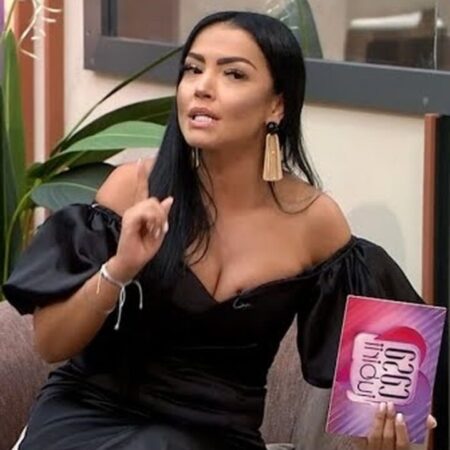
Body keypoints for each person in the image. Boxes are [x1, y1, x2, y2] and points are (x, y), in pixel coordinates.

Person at [3, 10, 436, 450]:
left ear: (277, 105)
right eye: (193, 69)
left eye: (233, 74)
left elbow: (386, 391)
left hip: (216, 438)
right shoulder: (133, 189)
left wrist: (386, 431)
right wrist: (120, 268)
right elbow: (51, 344)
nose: (202, 87)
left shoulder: (315, 222)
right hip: (87, 420)